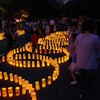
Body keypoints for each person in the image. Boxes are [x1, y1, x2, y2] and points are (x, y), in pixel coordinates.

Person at [74, 19, 100, 100]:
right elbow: (98, 52)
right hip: (91, 64)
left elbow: (76, 49)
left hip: (81, 62)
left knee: (82, 80)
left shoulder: (78, 37)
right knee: (88, 82)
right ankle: (85, 96)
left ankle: (81, 94)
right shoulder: (96, 38)